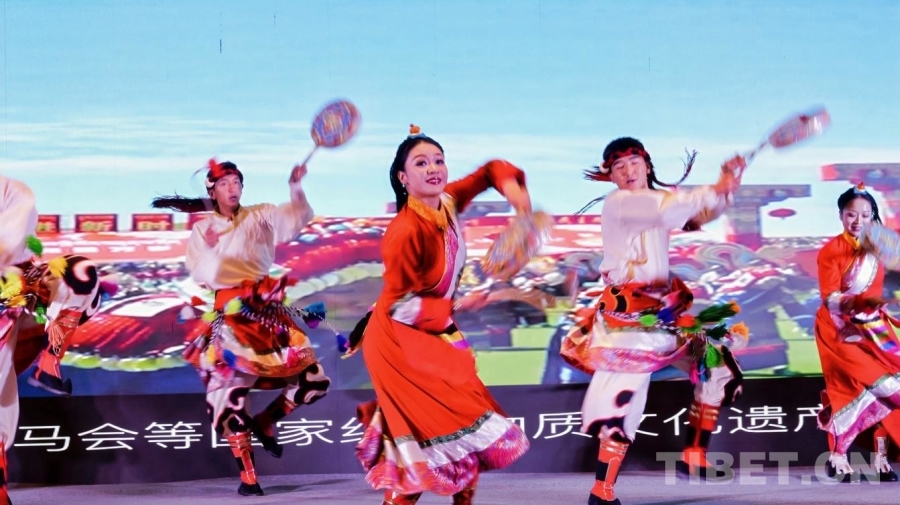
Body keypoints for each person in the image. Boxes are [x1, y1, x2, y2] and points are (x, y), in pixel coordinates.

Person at [347, 125, 531, 505]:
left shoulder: (446, 202)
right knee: (428, 444)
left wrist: (520, 205)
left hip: (433, 331)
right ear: (403, 178)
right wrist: (465, 304)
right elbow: (401, 305)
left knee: (464, 441)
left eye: (438, 160)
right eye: (421, 163)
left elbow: (490, 171)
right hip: (399, 341)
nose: (433, 169)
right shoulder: (404, 231)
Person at [560, 137, 748, 505]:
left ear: (647, 165)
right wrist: (717, 187)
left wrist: (726, 189)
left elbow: (694, 215)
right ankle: (602, 491)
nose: (628, 171)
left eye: (634, 163)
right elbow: (669, 208)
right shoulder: (621, 203)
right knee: (620, 404)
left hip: (662, 315)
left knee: (716, 365)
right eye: (619, 167)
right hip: (627, 323)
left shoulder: (658, 202)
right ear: (611, 176)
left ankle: (694, 455)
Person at [151, 159, 331, 496]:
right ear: (213, 191)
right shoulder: (203, 229)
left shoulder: (260, 214)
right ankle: (249, 478)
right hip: (232, 316)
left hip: (268, 315)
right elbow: (203, 273)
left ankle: (267, 421)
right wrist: (216, 249)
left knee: (314, 379)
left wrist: (295, 187)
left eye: (236, 182)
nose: (232, 188)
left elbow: (293, 221)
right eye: (224, 183)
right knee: (230, 396)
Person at [0, 175, 108, 505]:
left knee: (80, 272)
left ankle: (50, 362)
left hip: (14, 290)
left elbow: (12, 244)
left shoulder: (11, 190)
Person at [814, 183, 900, 482]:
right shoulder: (831, 252)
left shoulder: (881, 244)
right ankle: (837, 459)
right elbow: (830, 298)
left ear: (873, 216)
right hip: (840, 329)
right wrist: (860, 302)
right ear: (841, 215)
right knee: (856, 390)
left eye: (865, 214)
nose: (858, 221)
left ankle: (881, 460)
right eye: (851, 214)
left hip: (875, 327)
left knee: (891, 391)